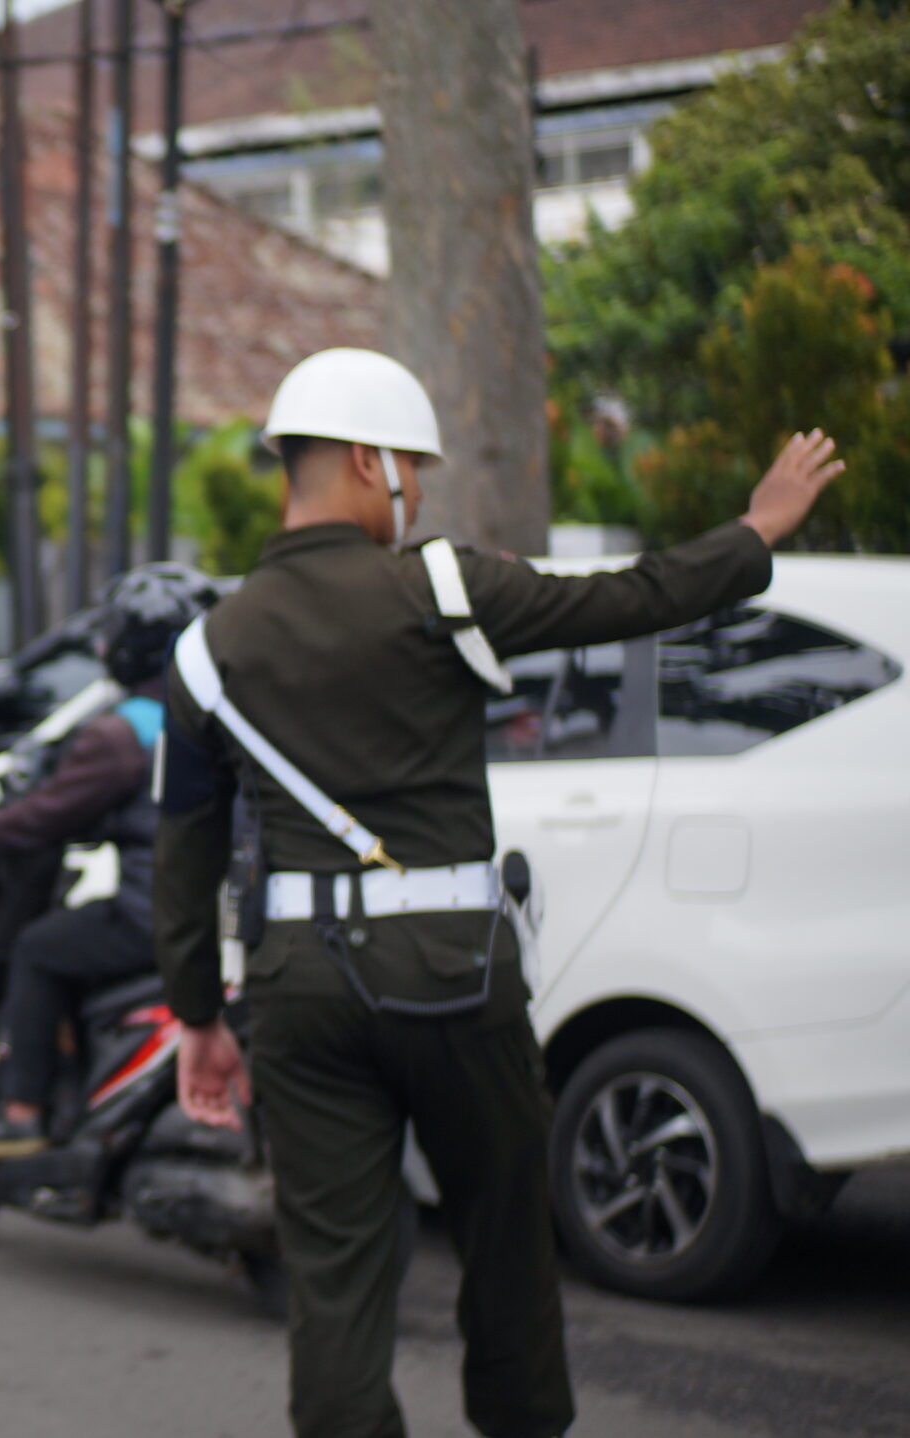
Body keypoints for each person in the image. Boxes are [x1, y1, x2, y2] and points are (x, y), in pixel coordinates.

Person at [153, 347, 844, 1438]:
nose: (419, 494)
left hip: (300, 994)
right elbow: (634, 597)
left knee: (334, 1279)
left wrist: (197, 1015)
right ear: (369, 462)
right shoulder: (443, 589)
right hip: (453, 976)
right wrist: (756, 528)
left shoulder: (205, 650)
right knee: (506, 1244)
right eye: (412, 470)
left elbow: (183, 849)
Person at [0, 565, 216, 1160]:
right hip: (223, 912)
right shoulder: (213, 718)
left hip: (154, 917)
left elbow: (45, 815)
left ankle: (22, 1112)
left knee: (38, 949)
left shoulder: (122, 734)